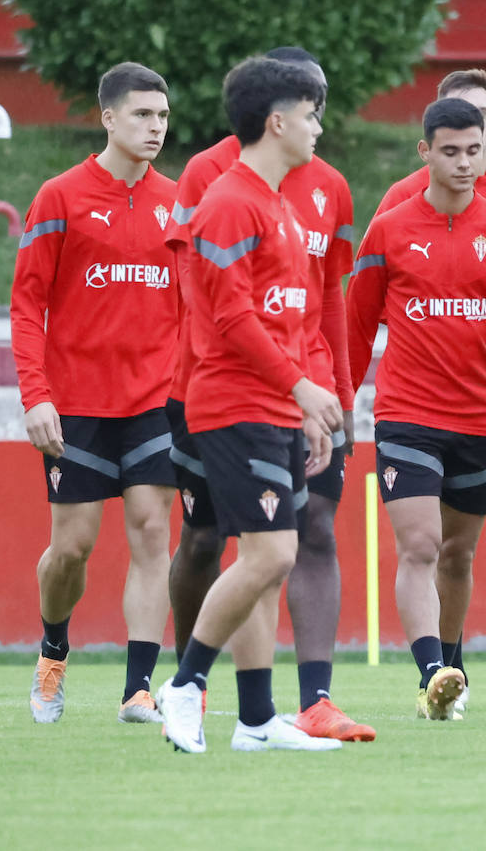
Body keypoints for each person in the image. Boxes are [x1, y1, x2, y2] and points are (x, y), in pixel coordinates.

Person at [164, 47, 373, 741]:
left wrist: (309, 404)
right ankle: (185, 686)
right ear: (277, 121)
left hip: (276, 404)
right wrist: (299, 385)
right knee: (271, 556)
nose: (320, 126)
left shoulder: (280, 207)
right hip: (231, 402)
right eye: (312, 114)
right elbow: (228, 318)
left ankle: (255, 719)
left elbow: (297, 317)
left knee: (265, 557)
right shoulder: (226, 202)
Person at [347, 97, 486, 721]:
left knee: (457, 555)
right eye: (449, 151)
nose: (463, 162)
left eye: (473, 150)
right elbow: (355, 326)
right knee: (420, 546)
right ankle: (431, 669)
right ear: (425, 152)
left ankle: (449, 669)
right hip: (407, 415)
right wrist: (341, 407)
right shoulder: (390, 230)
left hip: (481, 418)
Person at [12, 62, 178, 725]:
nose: (154, 127)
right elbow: (27, 304)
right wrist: (35, 394)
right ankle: (54, 649)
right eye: (141, 115)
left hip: (156, 404)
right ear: (108, 117)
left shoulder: (179, 203)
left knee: (151, 532)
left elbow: (196, 305)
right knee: (71, 550)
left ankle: (138, 688)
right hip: (74, 404)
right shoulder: (60, 196)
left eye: (162, 116)